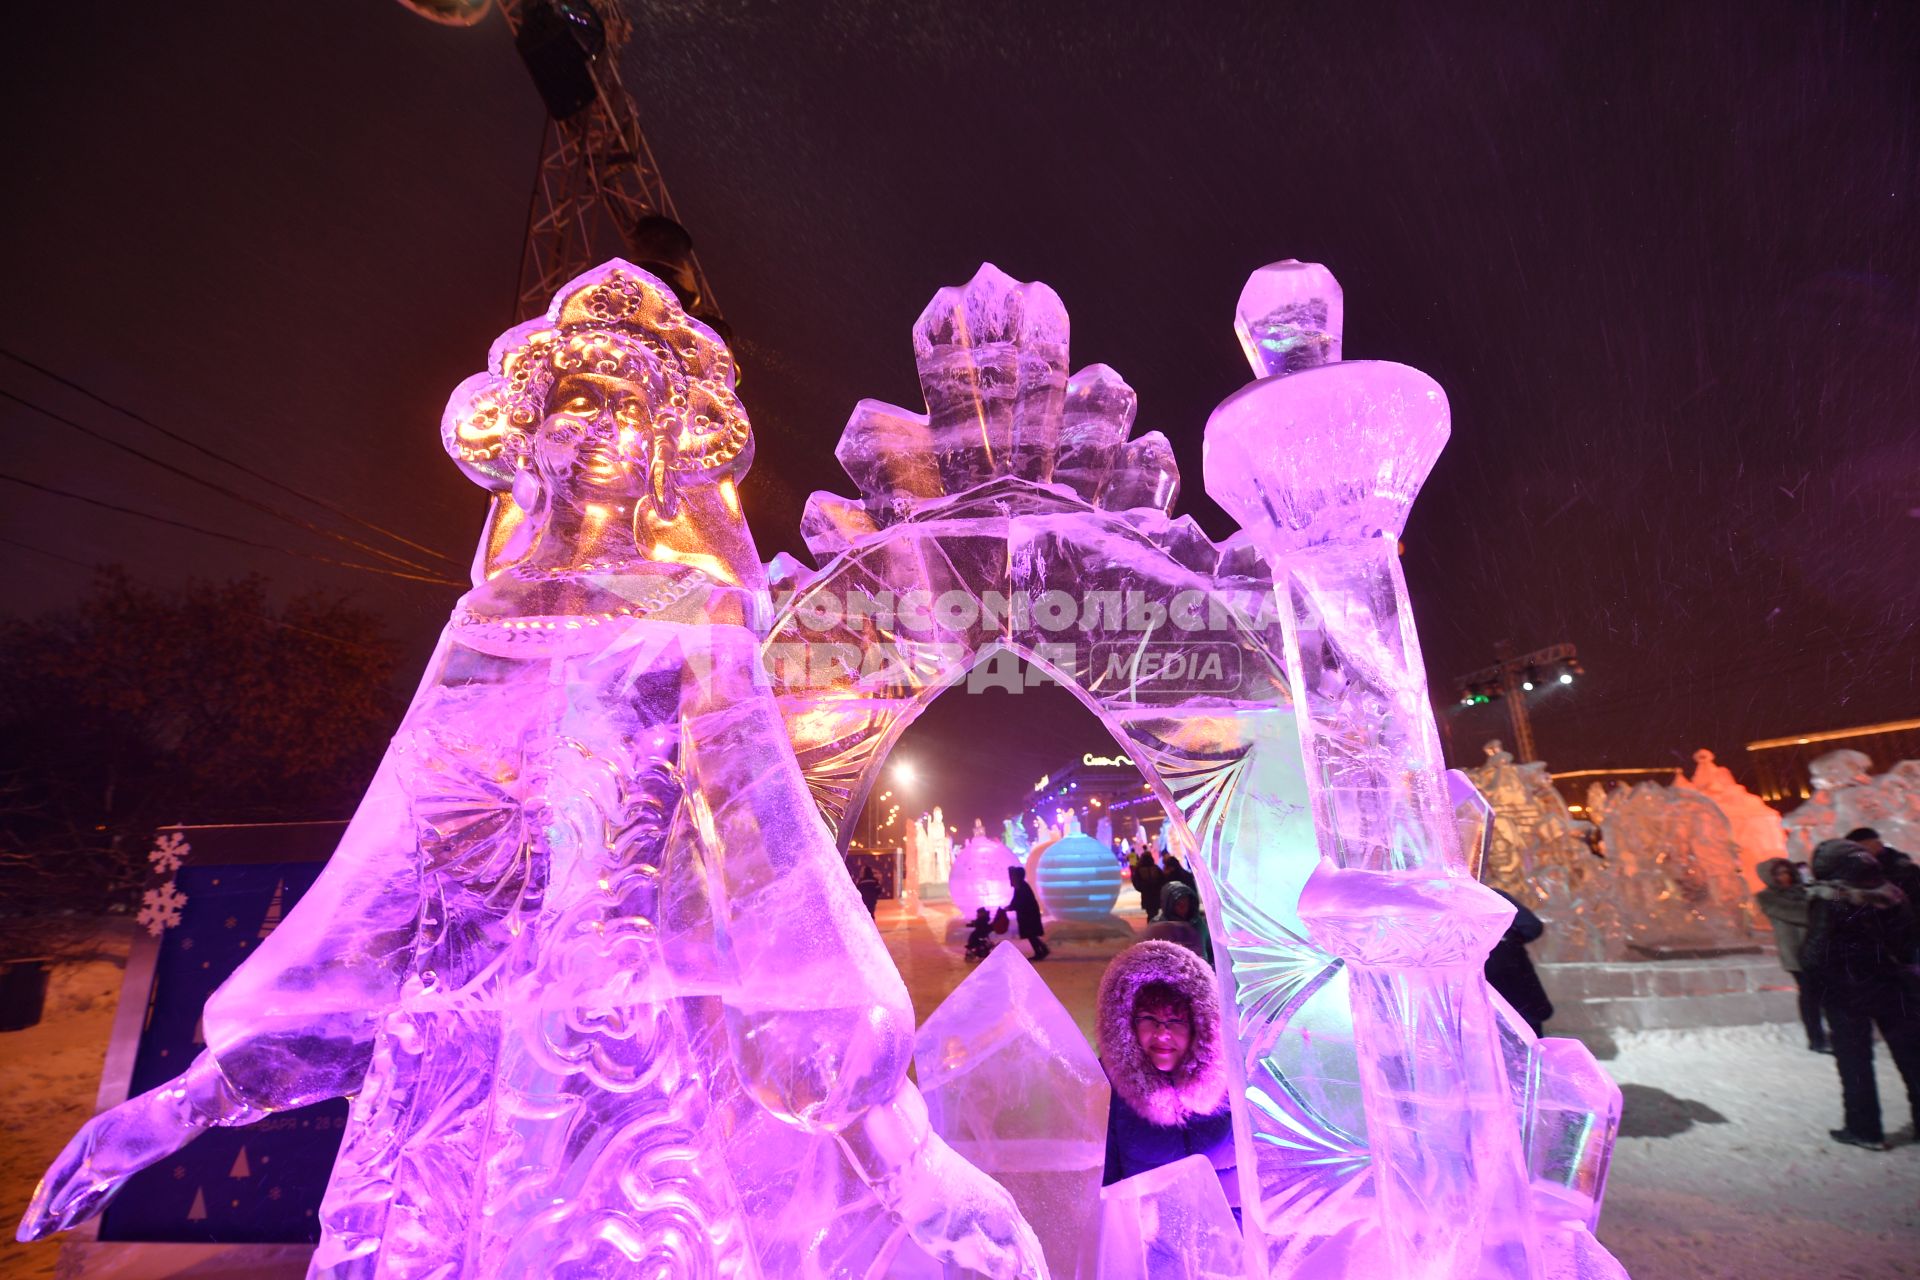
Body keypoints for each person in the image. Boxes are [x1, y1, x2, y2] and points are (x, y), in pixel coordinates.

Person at [1097, 940, 1238, 1216]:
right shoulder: (1109, 1089)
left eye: (1175, 1021)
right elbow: (1106, 1190)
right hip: (1152, 1250)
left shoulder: (1233, 1083)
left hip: (1234, 1243)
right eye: (1149, 1018)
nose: (1162, 1034)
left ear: (1200, 1025)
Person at [1802, 838, 1920, 1151]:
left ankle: (1864, 1129)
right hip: (1894, 986)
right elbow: (1909, 942)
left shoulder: (1830, 899)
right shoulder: (1895, 896)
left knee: (1855, 1062)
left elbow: (1815, 952)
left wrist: (1816, 981)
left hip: (1846, 991)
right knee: (1913, 1057)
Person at [1755, 857, 1829, 1052]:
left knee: (1825, 992)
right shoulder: (1768, 898)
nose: (1784, 877)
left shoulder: (1805, 891)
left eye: (1786, 872)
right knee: (1810, 995)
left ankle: (1832, 1033)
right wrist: (1819, 912)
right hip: (1795, 952)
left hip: (1817, 948)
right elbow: (1799, 914)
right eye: (1778, 874)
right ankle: (1816, 1038)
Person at [1484, 889, 1553, 1037]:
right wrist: (1504, 941)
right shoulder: (1491, 894)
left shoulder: (1436, 901)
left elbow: (1532, 927)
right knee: (1528, 1051)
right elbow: (1531, 926)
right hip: (1518, 996)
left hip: (1479, 1005)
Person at [1847, 827, 1920, 937]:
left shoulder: (1905, 870)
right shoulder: (1857, 873)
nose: (1858, 854)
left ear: (1877, 844)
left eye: (1861, 848)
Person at [1145, 880, 1214, 966]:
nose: (1183, 908)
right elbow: (1149, 956)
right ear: (1168, 904)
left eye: (1186, 903)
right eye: (1178, 904)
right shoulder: (1157, 926)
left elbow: (1211, 949)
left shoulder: (1198, 924)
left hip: (1199, 972)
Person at [1007, 865, 1050, 961]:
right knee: (1031, 935)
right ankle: (1042, 949)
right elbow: (1017, 900)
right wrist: (1011, 906)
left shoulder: (1022, 888)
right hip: (1027, 914)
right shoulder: (1021, 886)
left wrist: (1011, 907)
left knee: (1031, 934)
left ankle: (1040, 951)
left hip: (1028, 915)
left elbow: (1020, 901)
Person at [1130, 848, 1167, 921]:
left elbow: (1135, 881)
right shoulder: (1156, 868)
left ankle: (1151, 926)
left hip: (1146, 893)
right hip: (1156, 893)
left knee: (1150, 912)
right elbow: (1163, 879)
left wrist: (1141, 888)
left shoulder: (1139, 869)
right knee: (1154, 911)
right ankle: (1154, 925)